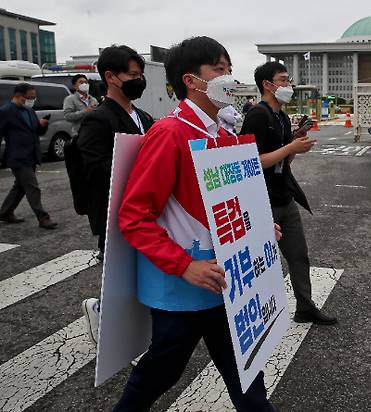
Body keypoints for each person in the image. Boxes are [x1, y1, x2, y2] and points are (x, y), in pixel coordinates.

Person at [114, 36, 277, 411]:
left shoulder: (222, 134)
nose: (229, 78)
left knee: (247, 375)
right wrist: (183, 265)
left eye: (230, 69)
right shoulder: (170, 134)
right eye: (219, 69)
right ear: (191, 79)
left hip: (227, 283)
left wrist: (259, 230)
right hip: (181, 290)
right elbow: (134, 216)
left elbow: (230, 205)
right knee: (161, 372)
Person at [240, 62, 337, 325]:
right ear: (267, 85)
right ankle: (258, 317)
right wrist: (289, 147)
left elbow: (283, 162)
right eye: (283, 80)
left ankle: (305, 307)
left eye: (288, 80)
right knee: (262, 264)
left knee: (298, 256)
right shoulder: (257, 116)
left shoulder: (281, 116)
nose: (288, 85)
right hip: (263, 202)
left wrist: (295, 143)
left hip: (285, 197)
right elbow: (251, 161)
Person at [78, 45, 154, 345]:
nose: (139, 81)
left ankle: (120, 323)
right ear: (111, 77)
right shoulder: (99, 119)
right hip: (116, 212)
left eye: (141, 75)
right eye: (133, 75)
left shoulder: (144, 117)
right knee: (123, 278)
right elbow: (94, 167)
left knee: (139, 275)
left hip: (145, 209)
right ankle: (120, 334)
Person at [0, 83, 57, 229]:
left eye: (34, 98)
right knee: (32, 187)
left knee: (19, 187)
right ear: (18, 96)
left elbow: (36, 131)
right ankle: (43, 218)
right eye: (29, 97)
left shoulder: (29, 111)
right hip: (17, 156)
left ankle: (5, 212)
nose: (32, 100)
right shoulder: (6, 111)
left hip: (32, 154)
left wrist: (42, 125)